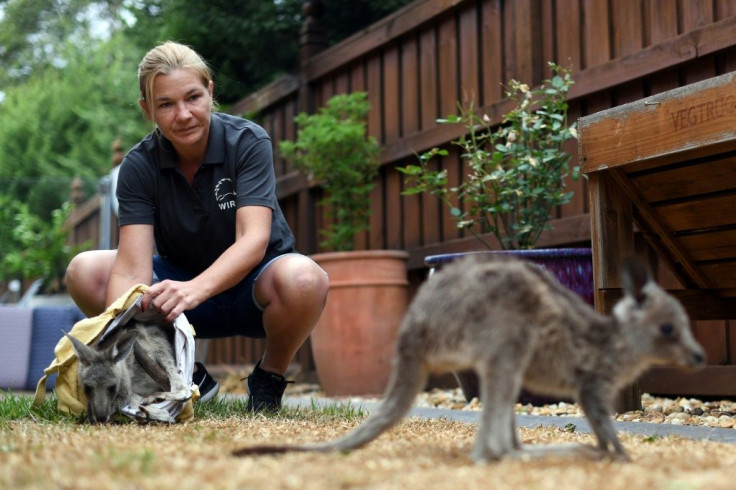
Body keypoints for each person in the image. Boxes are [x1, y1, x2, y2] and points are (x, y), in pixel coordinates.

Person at [64, 41, 329, 413]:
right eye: (166, 104)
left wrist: (193, 290)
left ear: (210, 92)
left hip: (256, 286)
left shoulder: (247, 142)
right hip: (180, 294)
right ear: (148, 110)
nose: (183, 114)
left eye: (192, 97)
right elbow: (131, 269)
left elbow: (254, 239)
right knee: (85, 271)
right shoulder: (139, 166)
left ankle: (269, 378)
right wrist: (124, 343)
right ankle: (182, 375)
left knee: (306, 278)